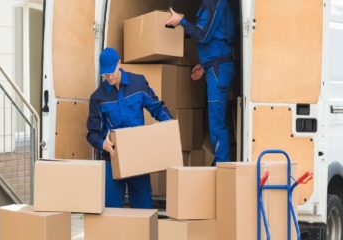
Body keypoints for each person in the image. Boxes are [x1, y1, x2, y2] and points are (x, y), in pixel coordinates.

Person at [86, 48, 172, 208]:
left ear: (119, 63)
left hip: (138, 156)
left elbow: (157, 108)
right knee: (111, 209)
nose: (109, 77)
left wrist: (168, 126)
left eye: (111, 72)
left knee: (143, 208)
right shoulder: (98, 97)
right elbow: (92, 133)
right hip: (113, 157)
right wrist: (102, 144)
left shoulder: (138, 83)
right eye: (105, 74)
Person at [166, 0, 236, 164]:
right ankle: (221, 162)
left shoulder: (213, 3)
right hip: (216, 66)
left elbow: (203, 35)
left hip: (219, 70)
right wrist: (205, 65)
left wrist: (181, 21)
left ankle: (221, 166)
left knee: (216, 122)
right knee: (218, 120)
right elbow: (217, 37)